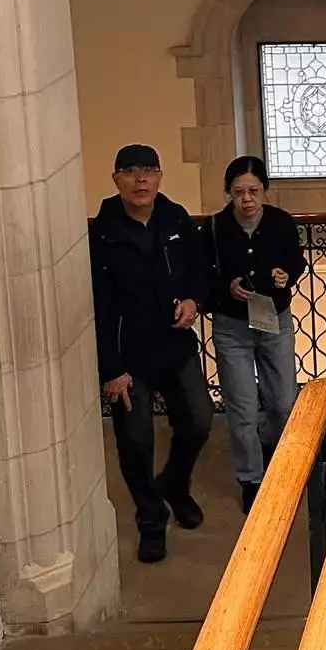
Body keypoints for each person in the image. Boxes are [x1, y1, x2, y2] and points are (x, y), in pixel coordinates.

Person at [90, 144, 214, 564]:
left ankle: (175, 484)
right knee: (135, 442)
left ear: (160, 176)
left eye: (148, 170)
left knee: (199, 420)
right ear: (116, 180)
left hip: (176, 348)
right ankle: (151, 519)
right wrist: (112, 369)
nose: (140, 179)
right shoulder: (102, 233)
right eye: (130, 171)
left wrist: (195, 301)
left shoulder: (176, 219)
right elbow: (97, 308)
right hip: (129, 361)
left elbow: (200, 272)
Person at [205, 156, 307, 515]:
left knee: (283, 402)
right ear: (228, 193)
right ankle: (251, 478)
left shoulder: (280, 222)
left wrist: (286, 275)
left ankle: (270, 444)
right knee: (242, 405)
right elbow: (204, 273)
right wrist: (227, 287)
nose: (246, 199)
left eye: (253, 191)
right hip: (232, 325)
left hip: (273, 320)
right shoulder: (215, 227)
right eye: (238, 192)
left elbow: (297, 261)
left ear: (264, 189)